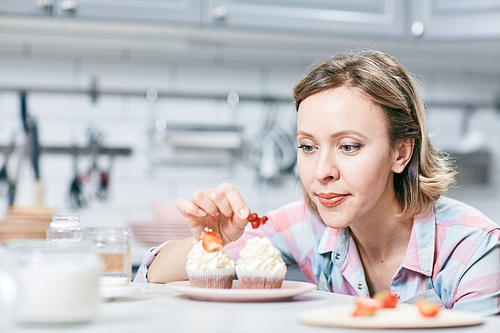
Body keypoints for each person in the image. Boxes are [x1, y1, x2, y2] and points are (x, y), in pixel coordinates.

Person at [135, 49, 500, 316]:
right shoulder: (306, 227)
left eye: (349, 146)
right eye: (307, 146)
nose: (321, 171)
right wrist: (208, 242)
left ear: (401, 153)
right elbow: (150, 278)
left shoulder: (472, 251)